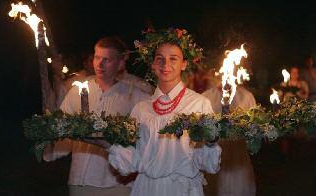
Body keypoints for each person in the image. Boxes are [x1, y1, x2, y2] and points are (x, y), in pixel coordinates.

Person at [107, 28, 222, 196]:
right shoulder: (141, 108)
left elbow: (208, 163)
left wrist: (211, 142)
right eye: (159, 59)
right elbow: (130, 161)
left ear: (184, 64)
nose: (166, 65)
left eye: (173, 59)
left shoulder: (199, 104)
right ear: (153, 64)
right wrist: (107, 143)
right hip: (146, 189)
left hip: (182, 189)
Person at [43, 36, 151, 196]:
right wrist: (49, 135)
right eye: (97, 57)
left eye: (107, 59)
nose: (100, 64)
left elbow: (146, 137)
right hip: (80, 179)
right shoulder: (78, 90)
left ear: (120, 63)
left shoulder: (134, 96)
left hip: (117, 182)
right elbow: (61, 127)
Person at [202, 81, 256, 196]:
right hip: (214, 157)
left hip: (238, 157)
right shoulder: (206, 97)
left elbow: (253, 130)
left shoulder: (246, 96)